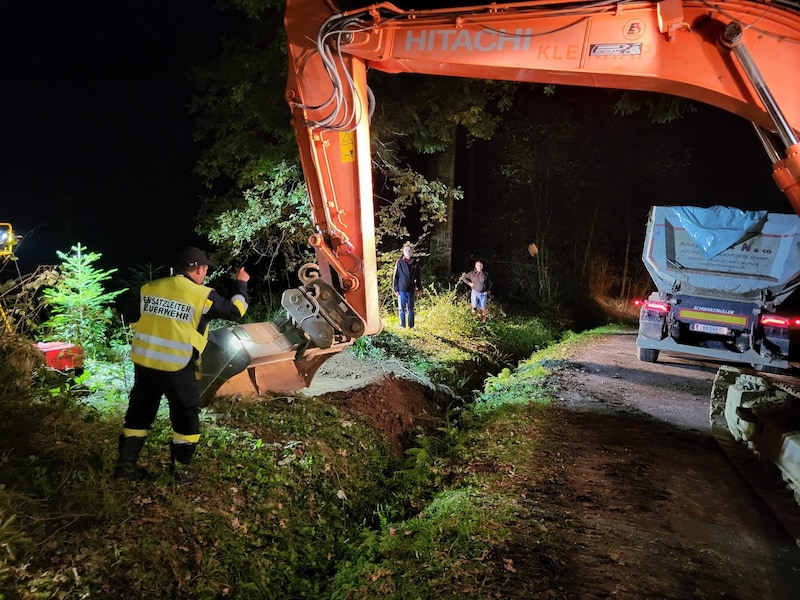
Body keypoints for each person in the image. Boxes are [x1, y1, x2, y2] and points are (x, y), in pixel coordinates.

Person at [114, 247, 250, 483]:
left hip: (145, 362)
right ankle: (180, 471)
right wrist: (241, 284)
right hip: (177, 364)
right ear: (199, 269)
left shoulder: (151, 288)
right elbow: (237, 310)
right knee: (185, 414)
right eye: (205, 270)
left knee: (139, 413)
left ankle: (125, 469)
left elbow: (130, 316)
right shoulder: (202, 295)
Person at [392, 244, 422, 328]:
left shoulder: (415, 263)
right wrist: (395, 289)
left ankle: (411, 325)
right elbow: (396, 277)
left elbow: (418, 277)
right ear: (403, 252)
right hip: (402, 289)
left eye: (409, 250)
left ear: (412, 252)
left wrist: (419, 288)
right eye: (406, 250)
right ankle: (402, 325)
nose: (408, 252)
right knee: (402, 308)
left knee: (411, 308)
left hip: (411, 289)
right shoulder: (400, 262)